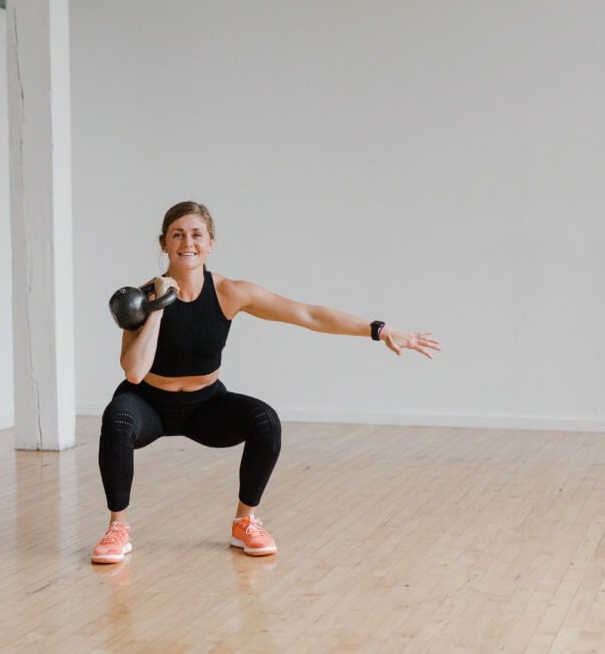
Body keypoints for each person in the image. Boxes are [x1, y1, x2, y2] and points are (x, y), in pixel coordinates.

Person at [92, 201, 440, 564]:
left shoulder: (229, 292)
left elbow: (307, 315)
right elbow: (133, 372)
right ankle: (118, 528)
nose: (187, 243)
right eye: (177, 235)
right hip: (149, 402)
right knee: (117, 419)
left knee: (264, 420)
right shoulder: (139, 298)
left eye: (197, 235)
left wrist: (378, 330)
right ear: (163, 243)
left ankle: (245, 521)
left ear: (211, 243)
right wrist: (158, 307)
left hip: (203, 406)